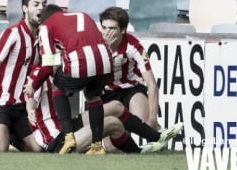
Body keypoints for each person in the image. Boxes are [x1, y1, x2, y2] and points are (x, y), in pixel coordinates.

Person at [24, 65, 184, 154]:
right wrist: (30, 108)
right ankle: (137, 152)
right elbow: (30, 95)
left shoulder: (61, 69)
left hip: (69, 126)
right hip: (58, 141)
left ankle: (156, 137)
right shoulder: (40, 73)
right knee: (112, 123)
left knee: (116, 107)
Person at [32, 4, 114, 155]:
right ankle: (97, 146)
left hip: (80, 61)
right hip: (106, 59)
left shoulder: (46, 25)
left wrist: (33, 86)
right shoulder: (82, 14)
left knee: (57, 87)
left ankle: (68, 136)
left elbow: (48, 65)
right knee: (93, 97)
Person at [0, 0, 50, 152]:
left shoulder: (43, 37)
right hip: (0, 102)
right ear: (25, 8)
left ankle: (8, 133)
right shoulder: (12, 33)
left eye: (44, 5)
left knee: (39, 149)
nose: (41, 8)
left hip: (22, 106)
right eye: (36, 4)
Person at [99, 6, 159, 129]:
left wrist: (152, 119)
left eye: (112, 28)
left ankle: (156, 129)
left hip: (131, 89)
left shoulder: (134, 46)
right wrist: (107, 51)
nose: (106, 33)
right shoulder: (95, 45)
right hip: (104, 92)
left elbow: (152, 84)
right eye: (104, 28)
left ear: (123, 30)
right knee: (110, 145)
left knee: (140, 123)